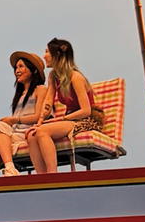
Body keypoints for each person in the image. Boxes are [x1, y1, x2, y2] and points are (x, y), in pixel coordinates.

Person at [25, 37, 100, 174]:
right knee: (31, 134)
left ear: (57, 55)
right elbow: (48, 101)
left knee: (42, 132)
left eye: (47, 52)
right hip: (70, 119)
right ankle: (41, 177)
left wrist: (60, 119)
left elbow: (86, 110)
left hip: (84, 120)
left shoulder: (75, 77)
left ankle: (52, 174)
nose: (44, 55)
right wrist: (40, 121)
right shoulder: (53, 76)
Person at [0, 51, 47, 178]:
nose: (17, 70)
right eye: (16, 67)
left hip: (29, 131)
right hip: (15, 132)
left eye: (21, 66)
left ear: (33, 70)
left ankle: (9, 166)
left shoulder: (40, 89)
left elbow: (39, 116)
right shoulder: (20, 94)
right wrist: (11, 122)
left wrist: (14, 120)